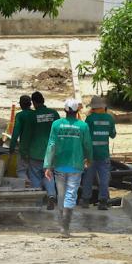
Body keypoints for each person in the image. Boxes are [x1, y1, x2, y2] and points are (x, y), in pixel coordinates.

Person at [44, 98, 92, 238]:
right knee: (71, 194)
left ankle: (62, 226)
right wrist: (89, 159)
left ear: (65, 110)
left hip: (59, 165)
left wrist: (47, 165)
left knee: (61, 195)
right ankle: (65, 228)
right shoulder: (83, 126)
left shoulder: (56, 125)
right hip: (76, 166)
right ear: (77, 110)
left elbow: (51, 145)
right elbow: (88, 145)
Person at [81, 96, 117, 210]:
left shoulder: (90, 119)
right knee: (104, 179)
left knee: (88, 178)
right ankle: (103, 202)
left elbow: (85, 137)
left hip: (91, 154)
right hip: (104, 154)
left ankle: (86, 200)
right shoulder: (110, 118)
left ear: (93, 108)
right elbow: (113, 135)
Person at [27, 91, 60, 209]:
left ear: (34, 103)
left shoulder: (32, 116)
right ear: (43, 100)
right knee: (49, 174)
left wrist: (24, 150)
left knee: (35, 176)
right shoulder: (54, 113)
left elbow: (27, 134)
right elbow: (59, 133)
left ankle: (38, 201)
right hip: (51, 152)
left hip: (35, 152)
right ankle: (51, 195)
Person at [9, 95, 34, 180]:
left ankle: (26, 189)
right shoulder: (35, 114)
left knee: (21, 171)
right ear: (30, 104)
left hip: (24, 148)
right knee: (33, 172)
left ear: (21, 105)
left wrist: (11, 148)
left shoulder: (20, 115)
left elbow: (15, 133)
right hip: (36, 149)